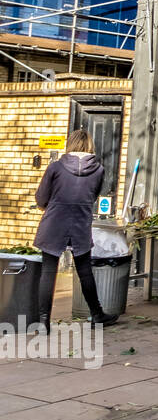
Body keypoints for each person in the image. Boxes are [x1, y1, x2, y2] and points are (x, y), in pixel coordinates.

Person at [34, 129, 117, 329]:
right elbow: (94, 196)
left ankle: (43, 321)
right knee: (84, 270)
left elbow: (41, 199)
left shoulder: (55, 168)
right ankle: (97, 314)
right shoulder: (99, 170)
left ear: (70, 144)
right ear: (90, 146)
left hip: (54, 221)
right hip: (80, 222)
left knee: (48, 271)